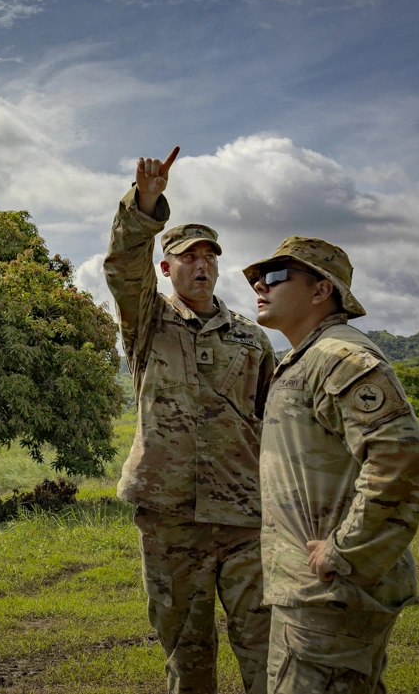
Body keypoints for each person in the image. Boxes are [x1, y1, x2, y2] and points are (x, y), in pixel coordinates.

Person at [105, 146, 275, 694]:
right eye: (187, 257)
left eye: (209, 257)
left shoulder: (252, 338)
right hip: (171, 518)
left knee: (267, 651)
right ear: (166, 267)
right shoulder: (147, 322)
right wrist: (144, 204)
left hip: (245, 516)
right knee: (189, 655)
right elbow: (122, 267)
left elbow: (273, 424)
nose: (201, 265)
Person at [243, 238, 419, 694]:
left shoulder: (338, 357)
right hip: (315, 593)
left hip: (328, 592)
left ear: (320, 290)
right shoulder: (307, 356)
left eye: (274, 276)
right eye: (257, 279)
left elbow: (401, 456)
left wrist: (345, 552)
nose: (259, 286)